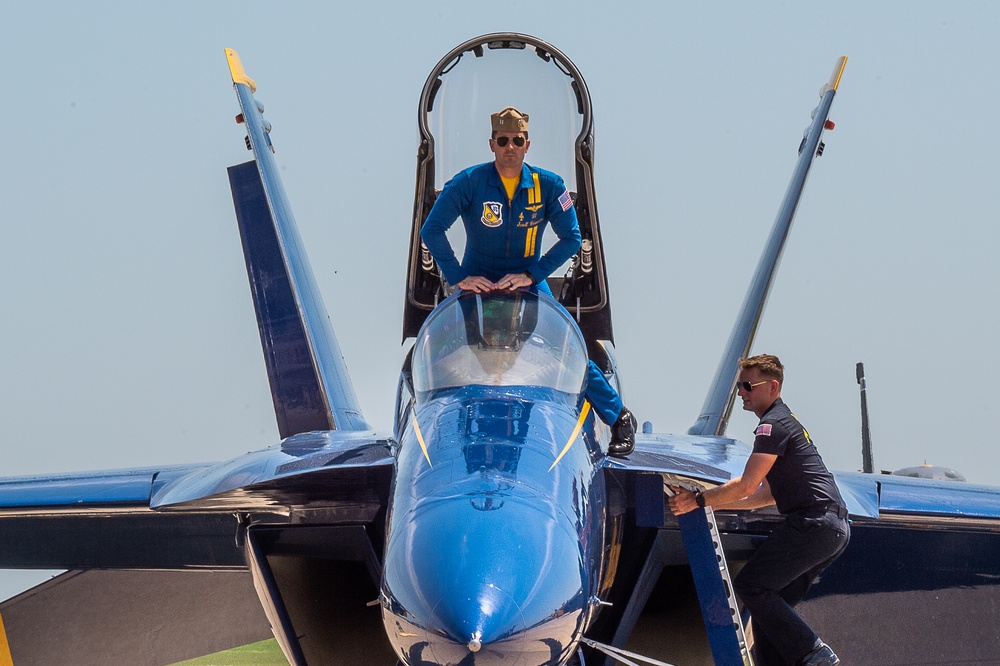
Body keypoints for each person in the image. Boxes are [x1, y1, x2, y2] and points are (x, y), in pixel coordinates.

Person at [420, 106, 636, 456]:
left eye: (517, 141)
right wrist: (459, 277)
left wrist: (532, 274)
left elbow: (571, 238)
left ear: (527, 144)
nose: (510, 147)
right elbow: (431, 230)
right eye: (503, 140)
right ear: (492, 144)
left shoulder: (549, 186)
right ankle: (426, 424)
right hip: (479, 283)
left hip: (528, 282)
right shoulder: (469, 182)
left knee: (565, 349)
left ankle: (619, 416)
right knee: (442, 348)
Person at [668, 354, 849, 666]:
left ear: (773, 387)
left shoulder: (771, 427)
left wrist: (697, 500)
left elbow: (747, 486)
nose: (742, 392)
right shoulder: (785, 423)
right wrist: (713, 501)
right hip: (832, 530)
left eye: (749, 385)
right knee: (770, 611)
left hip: (813, 525)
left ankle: (814, 653)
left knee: (751, 585)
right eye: (740, 386)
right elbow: (763, 495)